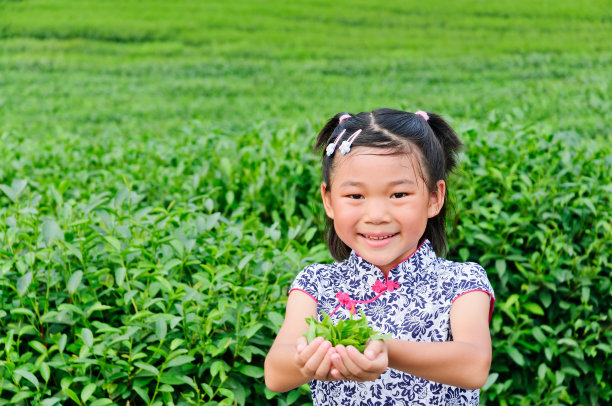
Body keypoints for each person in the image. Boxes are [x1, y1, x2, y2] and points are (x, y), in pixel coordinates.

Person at [264, 108, 495, 405]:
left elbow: (473, 364)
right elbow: (275, 373)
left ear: (434, 197)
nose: (376, 216)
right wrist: (309, 360)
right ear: (329, 200)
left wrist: (386, 350)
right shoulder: (317, 284)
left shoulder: (462, 281)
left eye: (399, 195)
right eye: (356, 196)